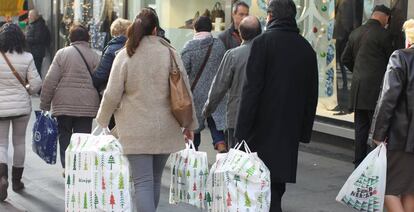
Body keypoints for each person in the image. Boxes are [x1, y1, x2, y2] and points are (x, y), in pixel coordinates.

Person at [96, 9, 197, 212]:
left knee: (141, 182)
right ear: (155, 30)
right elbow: (185, 91)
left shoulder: (125, 54)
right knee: (154, 180)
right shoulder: (170, 53)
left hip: (135, 129)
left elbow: (112, 93)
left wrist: (103, 120)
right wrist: (189, 124)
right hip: (166, 128)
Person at [234, 0, 318, 211]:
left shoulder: (262, 43)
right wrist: (304, 132)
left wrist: (241, 131)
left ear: (270, 16)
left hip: (260, 129)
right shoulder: (306, 49)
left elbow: (251, 90)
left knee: (256, 188)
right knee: (277, 188)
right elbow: (311, 96)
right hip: (289, 130)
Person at [40, 25, 100, 170]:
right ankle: (80, 170)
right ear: (88, 38)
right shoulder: (95, 56)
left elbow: (50, 80)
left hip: (63, 105)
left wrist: (45, 104)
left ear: (70, 38)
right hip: (87, 106)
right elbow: (101, 81)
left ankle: (68, 169)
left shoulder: (62, 53)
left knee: (65, 136)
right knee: (83, 139)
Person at [341, 5, 394, 168]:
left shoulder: (356, 32)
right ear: (384, 17)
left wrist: (358, 72)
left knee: (361, 127)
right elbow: (391, 62)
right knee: (377, 128)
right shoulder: (385, 35)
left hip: (358, 89)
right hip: (376, 90)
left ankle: (359, 163)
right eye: (388, 20)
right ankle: (374, 164)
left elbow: (345, 59)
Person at [370, 19, 414, 212]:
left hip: (401, 137)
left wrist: (378, 134)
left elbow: (388, 97)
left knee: (387, 188)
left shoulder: (401, 57)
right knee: (409, 190)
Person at [203, 16, 261, 149]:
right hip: (261, 119)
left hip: (237, 117)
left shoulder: (233, 55)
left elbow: (219, 86)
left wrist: (207, 109)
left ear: (240, 34)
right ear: (259, 33)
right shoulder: (268, 55)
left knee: (237, 160)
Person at [0, 23, 42, 201]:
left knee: (1, 143)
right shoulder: (28, 57)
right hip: (21, 107)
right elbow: (36, 85)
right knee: (19, 142)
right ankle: (17, 181)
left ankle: (2, 178)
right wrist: (27, 89)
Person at [181, 16, 227, 152]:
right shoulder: (219, 45)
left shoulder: (189, 47)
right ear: (211, 28)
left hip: (196, 93)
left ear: (195, 28)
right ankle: (221, 146)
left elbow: (182, 71)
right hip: (216, 92)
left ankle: (193, 152)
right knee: (215, 122)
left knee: (195, 125)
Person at [92, 18, 131, 93]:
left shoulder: (111, 49)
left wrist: (94, 80)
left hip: (113, 90)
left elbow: (101, 74)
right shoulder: (135, 46)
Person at [26, 9, 51, 78]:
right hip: (35, 52)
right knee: (35, 71)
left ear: (36, 16)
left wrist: (26, 38)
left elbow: (38, 39)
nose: (29, 17)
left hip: (37, 52)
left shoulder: (39, 25)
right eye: (29, 15)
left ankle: (38, 87)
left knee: (36, 71)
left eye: (30, 15)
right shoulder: (35, 24)